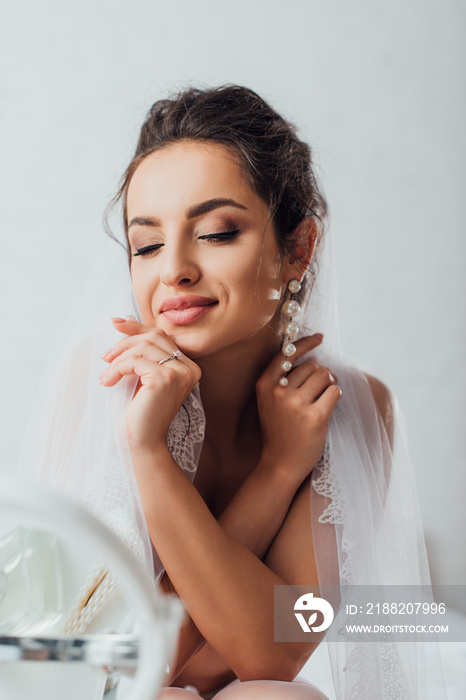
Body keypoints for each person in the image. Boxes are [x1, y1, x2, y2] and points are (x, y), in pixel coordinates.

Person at [19, 85, 446, 699]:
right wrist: (154, 451)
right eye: (147, 244)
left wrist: (284, 464)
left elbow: (277, 650)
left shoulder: (353, 406)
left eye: (217, 233)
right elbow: (113, 671)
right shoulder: (105, 378)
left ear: (298, 249)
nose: (174, 270)